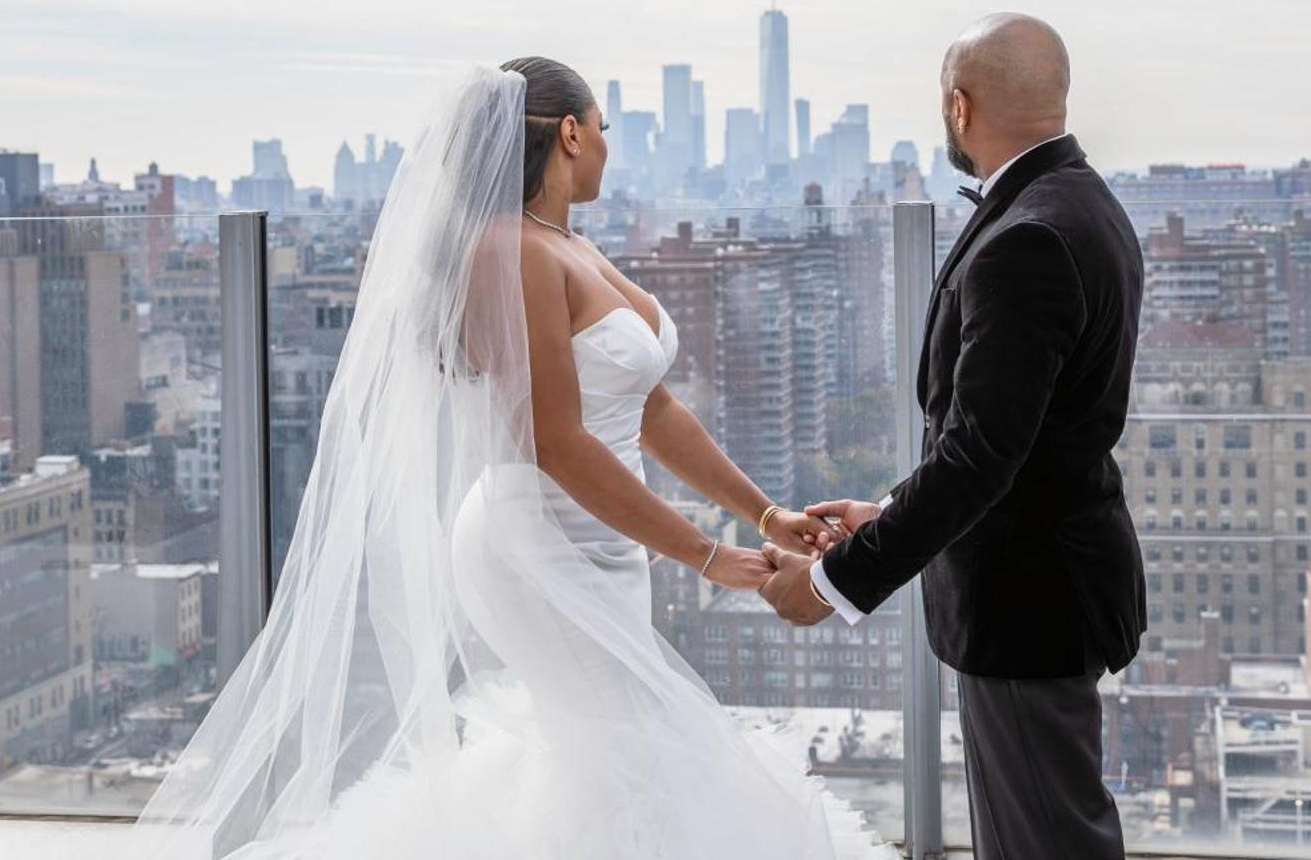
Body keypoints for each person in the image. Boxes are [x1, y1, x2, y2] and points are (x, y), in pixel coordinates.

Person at [119, 59, 890, 859]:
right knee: (637, 756)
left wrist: (765, 512)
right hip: (535, 544)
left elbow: (653, 407)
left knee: (607, 757)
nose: (606, 149)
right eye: (604, 130)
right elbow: (552, 441)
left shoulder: (564, 242)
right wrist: (705, 553)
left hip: (602, 541)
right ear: (569, 133)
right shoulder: (507, 250)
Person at [761, 12, 1149, 859]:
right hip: (1045, 580)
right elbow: (1019, 437)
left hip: (1027, 596)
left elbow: (981, 455)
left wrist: (830, 581)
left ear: (958, 106)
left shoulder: (1028, 237)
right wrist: (890, 507)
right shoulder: (1084, 202)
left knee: (1046, 842)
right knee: (1036, 833)